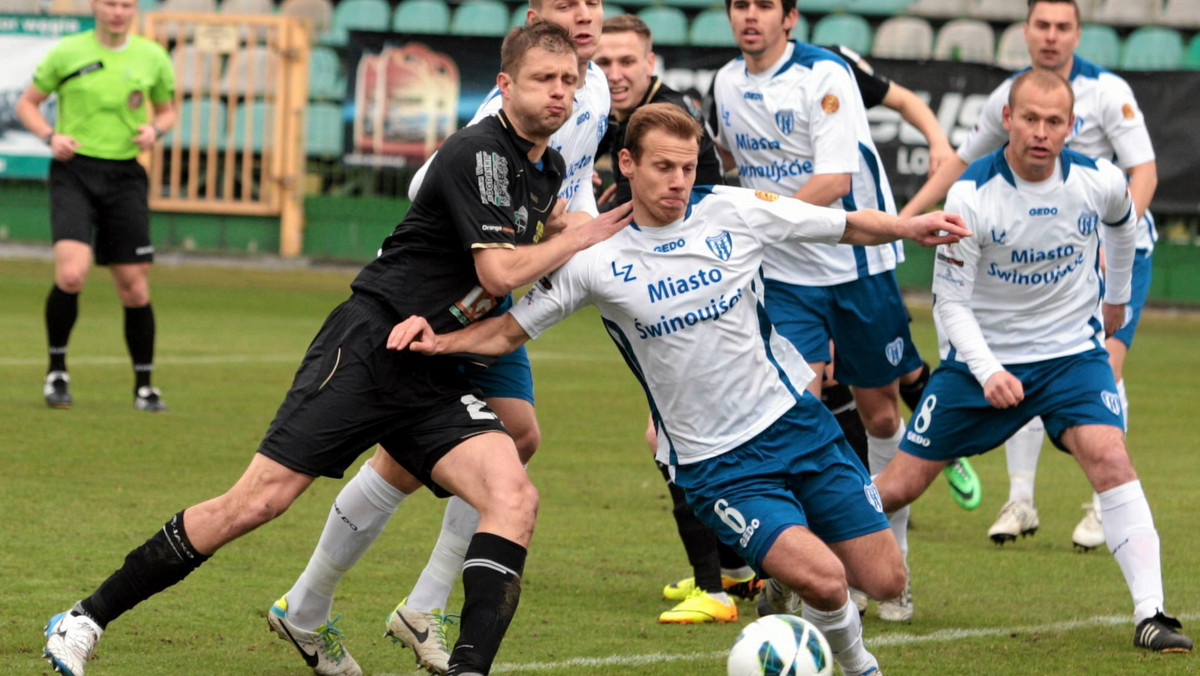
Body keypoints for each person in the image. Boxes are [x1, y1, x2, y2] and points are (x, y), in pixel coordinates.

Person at [42, 23, 634, 676]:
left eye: (568, 82)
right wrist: (581, 238)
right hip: (369, 346)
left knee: (514, 495)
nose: (558, 93)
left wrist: (627, 219)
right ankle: (84, 618)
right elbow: (499, 274)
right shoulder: (480, 151)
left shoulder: (542, 165)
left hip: (432, 362)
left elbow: (554, 218)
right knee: (256, 503)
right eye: (542, 80)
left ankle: (465, 667)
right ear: (504, 85)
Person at [387, 103, 970, 676]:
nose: (678, 181)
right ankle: (860, 665)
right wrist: (439, 340)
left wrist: (908, 227)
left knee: (885, 579)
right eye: (663, 167)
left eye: (688, 168)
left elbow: (840, 225)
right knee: (826, 578)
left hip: (799, 423)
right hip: (716, 463)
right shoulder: (595, 257)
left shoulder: (733, 210)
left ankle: (784, 589)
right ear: (627, 165)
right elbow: (509, 330)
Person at [271, 2, 613, 674]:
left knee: (512, 437)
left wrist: (570, 225)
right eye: (566, 4)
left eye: (593, 2)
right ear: (536, 17)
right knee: (444, 448)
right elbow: (437, 181)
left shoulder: (584, 89)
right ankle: (331, 604)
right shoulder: (508, 105)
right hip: (447, 291)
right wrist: (532, 236)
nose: (583, 13)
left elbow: (560, 197)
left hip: (494, 287)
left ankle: (381, 606)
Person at [875, 69, 1192, 655]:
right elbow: (950, 302)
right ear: (1008, 121)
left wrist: (1116, 293)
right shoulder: (972, 194)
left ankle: (1153, 614)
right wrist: (989, 370)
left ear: (1071, 128)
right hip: (982, 364)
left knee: (1110, 455)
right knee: (897, 487)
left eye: (1054, 122)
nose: (1041, 132)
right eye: (1030, 119)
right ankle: (808, 560)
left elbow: (1125, 226)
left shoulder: (1098, 180)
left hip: (1073, 355)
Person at [898, 0, 1159, 550]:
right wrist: (904, 220)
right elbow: (961, 160)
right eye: (1042, 25)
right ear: (1027, 31)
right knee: (1028, 358)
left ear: (1078, 34)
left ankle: (1100, 501)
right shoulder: (1007, 96)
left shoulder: (1108, 91)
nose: (1051, 36)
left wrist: (1112, 246)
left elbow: (1144, 171)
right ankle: (1021, 498)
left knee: (1099, 366)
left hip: (1111, 245)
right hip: (1031, 249)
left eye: (1063, 27)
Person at [709, 0, 923, 622]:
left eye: (764, 6)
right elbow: (726, 164)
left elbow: (833, 180)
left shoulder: (825, 75)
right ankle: (802, 567)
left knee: (881, 415)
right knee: (794, 405)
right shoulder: (726, 83)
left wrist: (756, 226)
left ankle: (895, 564)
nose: (751, 17)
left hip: (857, 268)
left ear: (790, 17)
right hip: (789, 277)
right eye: (740, 6)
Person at [16, 0, 175, 412]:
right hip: (74, 173)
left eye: (126, 4)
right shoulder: (68, 52)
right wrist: (50, 136)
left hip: (125, 176)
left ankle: (144, 386)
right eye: (110, 3)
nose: (118, 12)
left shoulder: (152, 57)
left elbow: (168, 109)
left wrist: (154, 129)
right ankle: (57, 372)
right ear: (95, 6)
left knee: (135, 287)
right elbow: (26, 104)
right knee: (71, 274)